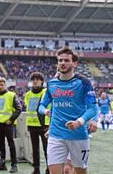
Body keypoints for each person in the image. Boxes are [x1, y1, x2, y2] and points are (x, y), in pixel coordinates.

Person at [38, 46, 98, 174]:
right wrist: (46, 112)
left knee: (80, 171)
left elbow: (93, 108)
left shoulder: (84, 83)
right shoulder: (51, 84)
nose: (62, 63)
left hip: (78, 135)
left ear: (74, 63)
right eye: (60, 60)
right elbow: (41, 106)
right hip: (56, 135)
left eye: (66, 60)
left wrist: (79, 122)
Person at [0, 77, 22, 173]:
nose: (0, 86)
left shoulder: (11, 95)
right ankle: (2, 164)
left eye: (2, 84)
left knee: (11, 144)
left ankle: (14, 164)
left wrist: (11, 119)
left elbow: (18, 109)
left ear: (5, 85)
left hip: (8, 124)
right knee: (1, 145)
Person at [24, 72, 49, 174]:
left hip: (44, 125)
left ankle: (49, 169)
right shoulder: (28, 94)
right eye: (33, 79)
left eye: (37, 79)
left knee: (47, 149)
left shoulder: (46, 92)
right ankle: (36, 169)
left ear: (42, 81)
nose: (35, 81)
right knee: (35, 149)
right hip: (32, 125)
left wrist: (47, 124)